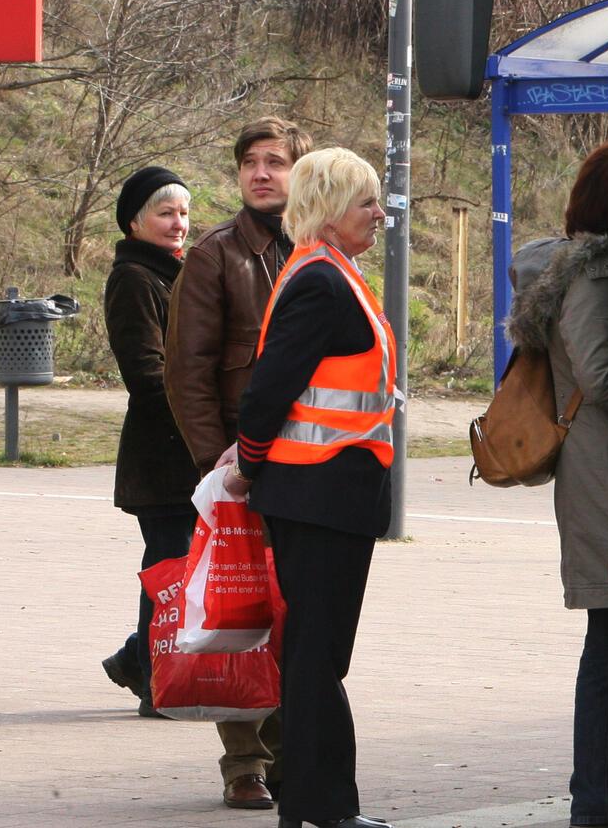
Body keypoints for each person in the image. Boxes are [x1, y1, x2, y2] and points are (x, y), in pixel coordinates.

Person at [504, 143, 608, 828]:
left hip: (604, 471)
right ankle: (600, 800)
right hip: (605, 474)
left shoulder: (594, 268)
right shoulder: (597, 273)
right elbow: (602, 377)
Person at [225, 147, 393, 828]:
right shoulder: (322, 283)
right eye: (366, 204)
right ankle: (323, 809)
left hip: (326, 495)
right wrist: (248, 459)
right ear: (328, 213)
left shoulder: (332, 274)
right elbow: (269, 388)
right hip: (318, 496)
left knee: (317, 656)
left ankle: (309, 802)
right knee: (316, 659)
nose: (381, 215)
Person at [165, 115, 308, 807]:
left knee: (294, 615)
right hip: (237, 467)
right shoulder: (215, 254)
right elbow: (185, 370)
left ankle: (291, 752)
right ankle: (244, 763)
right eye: (250, 161)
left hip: (308, 467)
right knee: (239, 611)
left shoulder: (316, 248)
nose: (260, 172)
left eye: (274, 161)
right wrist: (214, 469)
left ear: (297, 172)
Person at [99, 167, 203, 720]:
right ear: (135, 222)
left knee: (183, 567)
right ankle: (153, 678)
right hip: (162, 454)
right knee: (171, 567)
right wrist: (201, 406)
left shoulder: (176, 273)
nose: (178, 223)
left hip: (188, 451)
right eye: (166, 213)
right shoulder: (135, 279)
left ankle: (138, 657)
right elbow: (145, 372)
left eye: (184, 213)